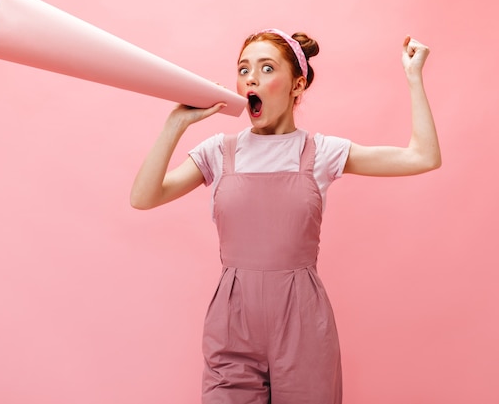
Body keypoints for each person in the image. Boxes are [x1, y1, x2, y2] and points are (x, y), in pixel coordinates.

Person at [130, 28, 441, 404]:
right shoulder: (219, 151)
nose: (251, 79)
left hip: (303, 324)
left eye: (266, 68)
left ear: (297, 85)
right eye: (244, 69)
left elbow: (422, 157)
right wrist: (175, 123)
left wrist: (413, 76)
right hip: (232, 322)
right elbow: (144, 197)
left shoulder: (321, 151)